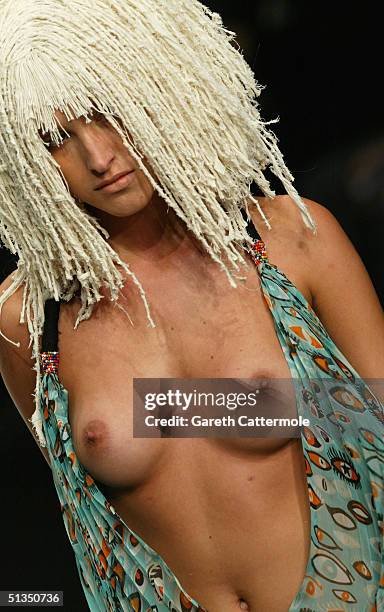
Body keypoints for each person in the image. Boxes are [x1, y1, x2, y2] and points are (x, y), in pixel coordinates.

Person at [0, 1, 383, 611]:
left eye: (106, 113)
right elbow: (81, 514)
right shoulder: (29, 321)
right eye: (55, 139)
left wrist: (159, 406)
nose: (98, 157)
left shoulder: (293, 240)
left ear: (161, 87)